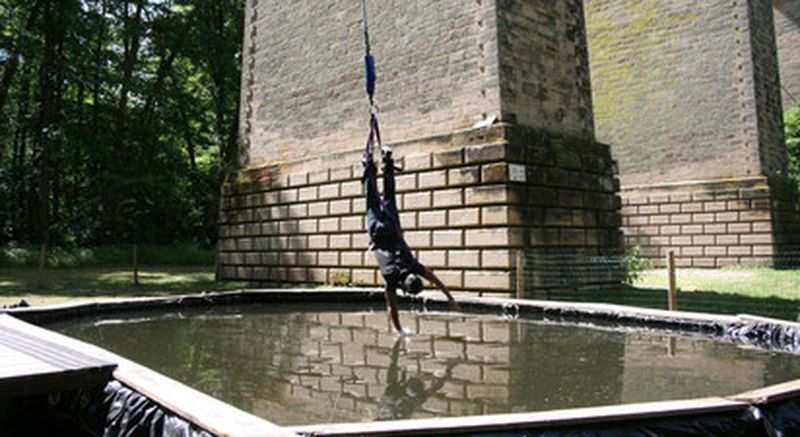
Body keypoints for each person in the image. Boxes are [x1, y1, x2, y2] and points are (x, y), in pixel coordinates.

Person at [363, 141, 459, 334]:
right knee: (371, 199)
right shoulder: (391, 280)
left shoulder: (413, 266)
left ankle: (387, 161)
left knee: (389, 196)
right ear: (404, 289)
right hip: (376, 233)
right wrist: (400, 332)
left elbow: (435, 280)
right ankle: (368, 164)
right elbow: (392, 309)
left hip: (392, 227)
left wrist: (450, 297)